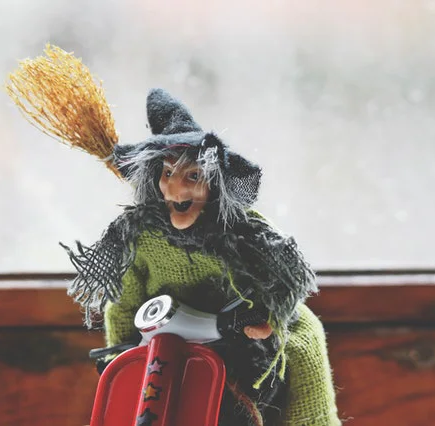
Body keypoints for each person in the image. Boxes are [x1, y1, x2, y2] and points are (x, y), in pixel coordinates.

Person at [62, 88, 342, 426]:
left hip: (238, 336)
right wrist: (123, 351)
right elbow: (124, 301)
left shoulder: (242, 233)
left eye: (192, 176)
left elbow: (276, 278)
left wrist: (265, 318)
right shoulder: (142, 235)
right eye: (167, 174)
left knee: (301, 349)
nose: (176, 188)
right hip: (164, 341)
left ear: (214, 182)